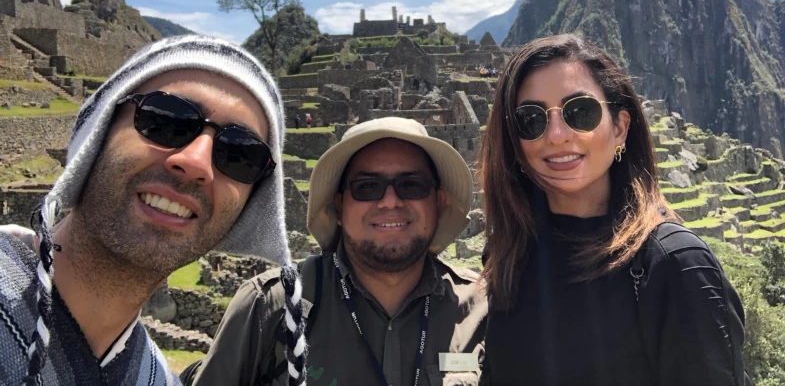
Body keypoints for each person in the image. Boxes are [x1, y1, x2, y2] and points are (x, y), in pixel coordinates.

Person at [0, 36, 306, 386]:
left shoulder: (155, 378)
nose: (195, 163)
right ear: (98, 133)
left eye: (240, 154)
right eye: (166, 119)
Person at [478, 34, 749, 386]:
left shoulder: (674, 265)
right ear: (514, 142)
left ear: (620, 127)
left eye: (580, 112)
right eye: (531, 119)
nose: (557, 134)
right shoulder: (509, 255)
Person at [190, 117, 487, 386]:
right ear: (340, 206)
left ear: (438, 201)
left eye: (412, 185)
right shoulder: (270, 307)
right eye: (368, 187)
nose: (390, 201)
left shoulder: (484, 310)